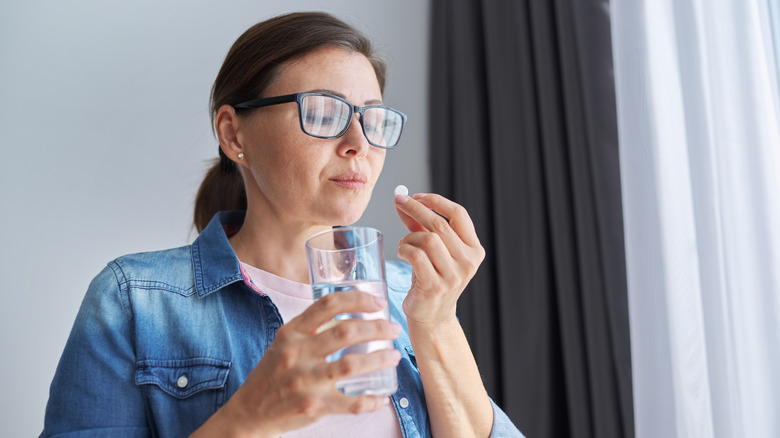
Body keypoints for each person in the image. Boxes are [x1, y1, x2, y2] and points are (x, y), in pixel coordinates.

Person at [40, 11, 523, 438]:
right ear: (233, 134)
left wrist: (436, 323)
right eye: (323, 111)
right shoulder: (135, 302)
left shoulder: (409, 296)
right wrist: (247, 419)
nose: (359, 142)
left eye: (372, 119)